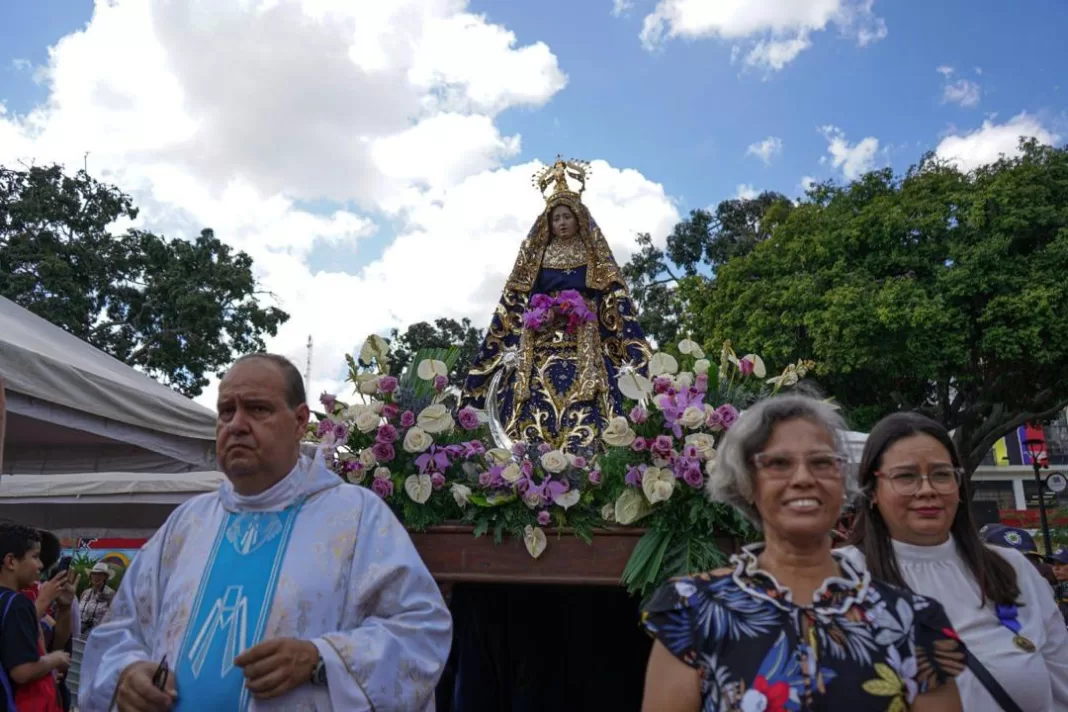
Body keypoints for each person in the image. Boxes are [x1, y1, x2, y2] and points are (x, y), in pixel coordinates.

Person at [78, 353, 453, 712]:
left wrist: (320, 658)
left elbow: (420, 631)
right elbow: (118, 630)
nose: (236, 424)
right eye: (226, 411)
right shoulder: (186, 524)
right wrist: (127, 673)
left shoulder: (356, 517)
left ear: (299, 421)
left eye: (257, 409)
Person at [641, 395, 965, 712]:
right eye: (778, 463)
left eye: (822, 462)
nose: (803, 479)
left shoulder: (915, 621)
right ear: (747, 483)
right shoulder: (691, 610)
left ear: (842, 481)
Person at [844, 412, 1068, 711]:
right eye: (906, 476)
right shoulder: (840, 578)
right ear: (871, 491)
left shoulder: (1012, 569)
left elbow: (1061, 686)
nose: (927, 490)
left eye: (941, 474)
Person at [460, 156, 650, 454]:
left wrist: (581, 308)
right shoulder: (539, 256)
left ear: (578, 218)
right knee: (531, 404)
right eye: (556, 218)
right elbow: (520, 301)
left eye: (567, 217)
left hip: (586, 343)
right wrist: (543, 312)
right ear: (549, 222)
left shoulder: (594, 255)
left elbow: (611, 301)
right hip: (542, 343)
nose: (561, 223)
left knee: (597, 405)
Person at [0, 521, 70, 712]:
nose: (40, 565)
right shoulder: (17, 603)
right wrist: (55, 659)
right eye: (35, 557)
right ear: (11, 562)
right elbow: (22, 672)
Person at [79, 563, 115, 635]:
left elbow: (114, 617)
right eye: (94, 574)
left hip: (98, 635)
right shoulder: (85, 593)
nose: (96, 577)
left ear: (105, 577)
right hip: (79, 633)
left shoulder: (111, 594)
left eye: (100, 574)